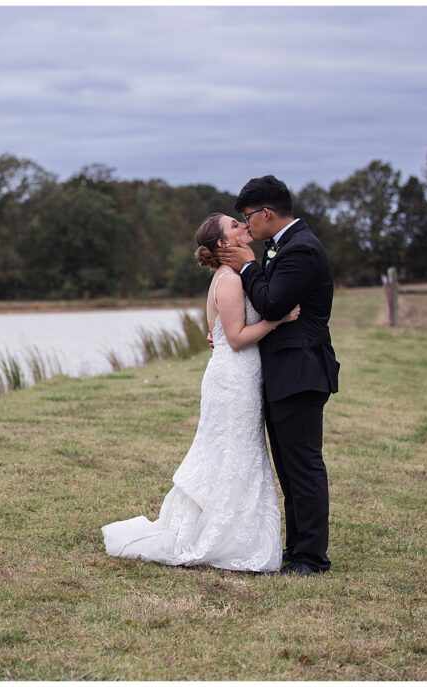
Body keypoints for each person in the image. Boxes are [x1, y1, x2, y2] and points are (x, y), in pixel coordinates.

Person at [101, 213, 299, 572]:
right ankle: (216, 535)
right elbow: (236, 339)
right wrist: (276, 320)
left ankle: (237, 532)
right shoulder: (228, 281)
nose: (244, 227)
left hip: (241, 375)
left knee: (237, 451)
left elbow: (222, 331)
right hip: (233, 378)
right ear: (223, 244)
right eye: (235, 225)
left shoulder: (239, 276)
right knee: (230, 452)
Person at [217, 175, 340, 576]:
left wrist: (251, 266)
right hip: (283, 372)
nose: (247, 226)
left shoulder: (300, 250)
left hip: (300, 371)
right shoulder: (282, 246)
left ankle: (311, 558)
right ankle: (296, 549)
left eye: (248, 217)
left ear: (267, 212)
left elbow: (271, 304)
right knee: (289, 467)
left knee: (303, 465)